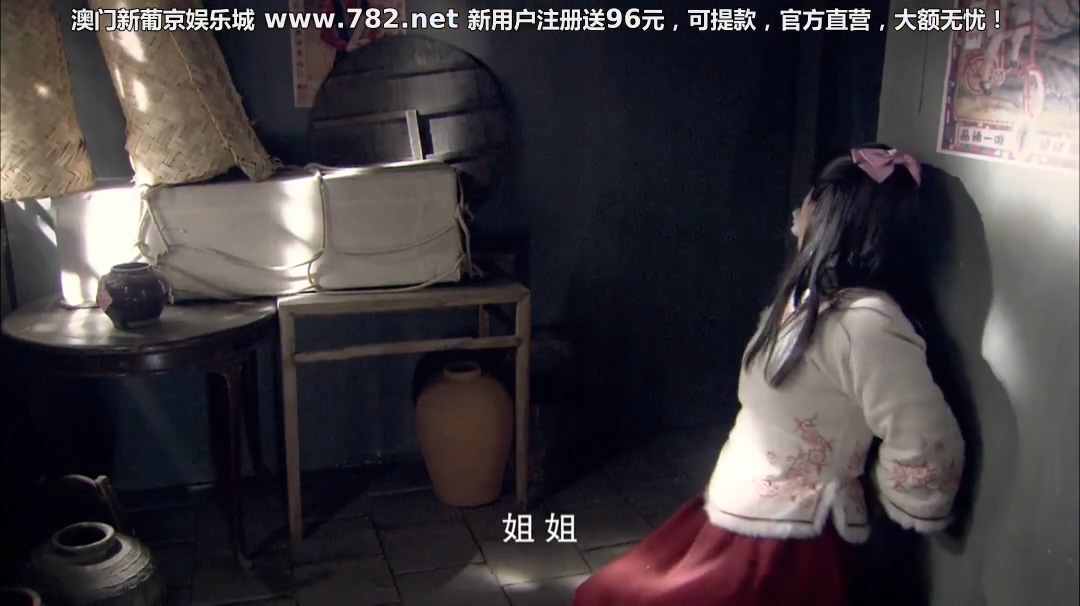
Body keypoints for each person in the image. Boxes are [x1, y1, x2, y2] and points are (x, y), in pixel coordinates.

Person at [573, 145, 966, 606]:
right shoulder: (811, 302)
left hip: (793, 536)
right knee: (607, 592)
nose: (799, 213)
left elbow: (925, 436)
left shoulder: (867, 323)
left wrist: (885, 503)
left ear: (832, 216)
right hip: (747, 508)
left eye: (811, 200)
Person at [980, 0, 1034, 94]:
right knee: (997, 36)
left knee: (1022, 19)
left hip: (1002, 10)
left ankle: (1014, 57)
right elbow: (1003, 10)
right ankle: (985, 79)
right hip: (994, 10)